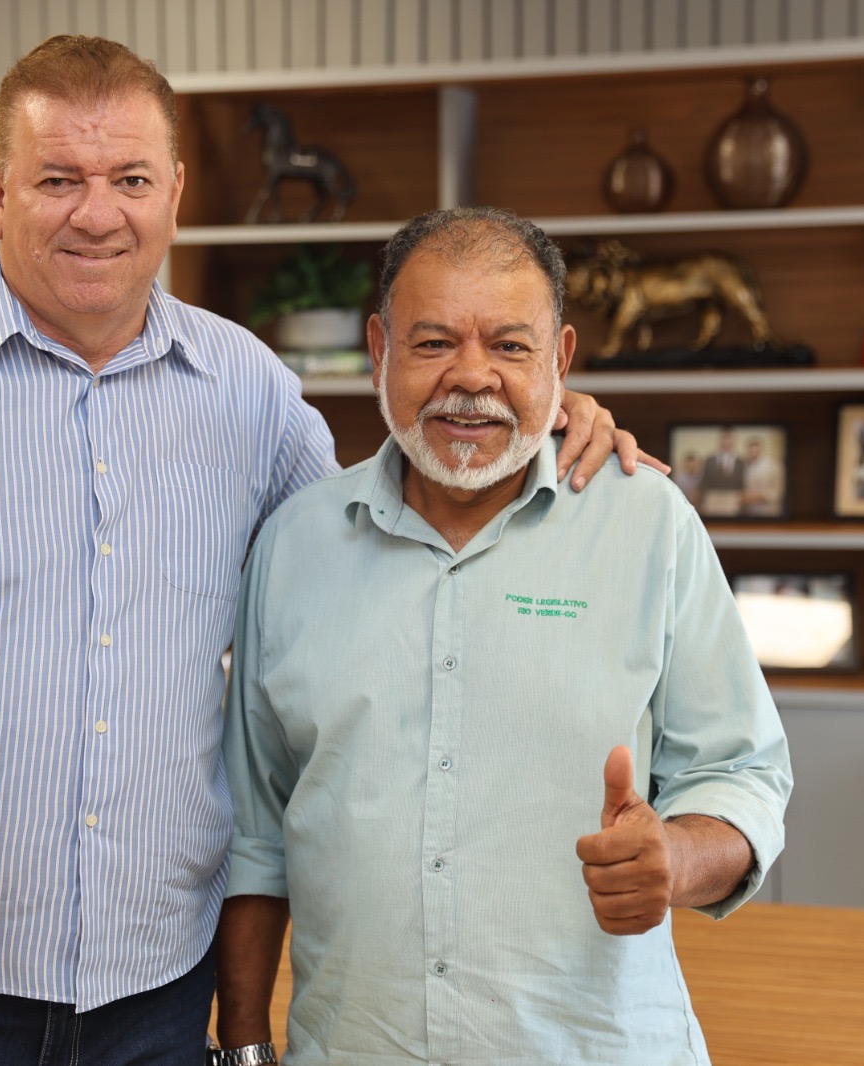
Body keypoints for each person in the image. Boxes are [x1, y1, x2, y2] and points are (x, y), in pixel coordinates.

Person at [0, 36, 646, 1065]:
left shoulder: (246, 388)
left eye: (130, 179)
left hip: (153, 995)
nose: (97, 213)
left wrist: (530, 421)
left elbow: (377, 535)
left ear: (174, 194)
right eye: (57, 179)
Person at [215, 207, 793, 1065]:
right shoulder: (294, 545)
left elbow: (742, 773)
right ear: (379, 350)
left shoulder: (649, 525)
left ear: (560, 360)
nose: (471, 377)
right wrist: (243, 1047)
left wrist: (673, 857)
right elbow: (254, 836)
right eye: (433, 343)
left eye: (510, 347)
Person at [697, 425, 745, 514]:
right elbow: (704, 482)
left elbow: (742, 485)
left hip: (733, 501)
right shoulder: (709, 460)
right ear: (720, 440)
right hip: (712, 500)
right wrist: (701, 502)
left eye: (729, 438)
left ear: (734, 440)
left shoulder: (741, 462)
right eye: (724, 438)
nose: (726, 441)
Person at [740, 434, 785, 517]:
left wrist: (759, 497)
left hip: (768, 511)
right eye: (750, 450)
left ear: (760, 449)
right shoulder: (745, 466)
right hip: (749, 512)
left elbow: (778, 491)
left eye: (755, 450)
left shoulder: (773, 465)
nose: (753, 453)